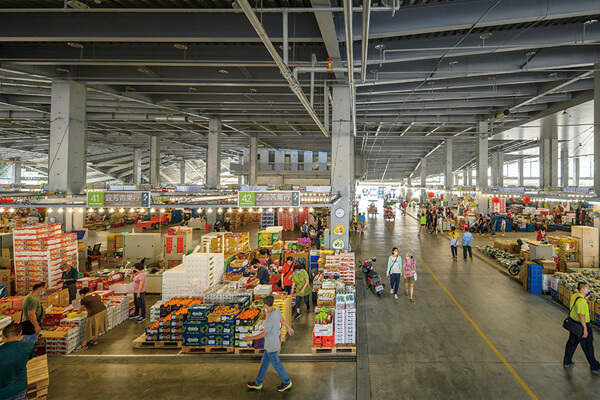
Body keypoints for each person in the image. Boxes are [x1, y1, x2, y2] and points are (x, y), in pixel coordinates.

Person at [244, 295, 294, 392]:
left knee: (276, 365)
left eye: (263, 305)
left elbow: (264, 334)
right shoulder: (276, 310)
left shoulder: (270, 317)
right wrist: (289, 327)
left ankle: (287, 382)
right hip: (272, 343)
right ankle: (258, 383)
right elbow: (282, 320)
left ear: (265, 305)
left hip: (271, 345)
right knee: (265, 363)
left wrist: (250, 338)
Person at [563, 282, 600, 374]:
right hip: (582, 325)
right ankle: (595, 367)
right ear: (582, 289)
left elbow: (578, 306)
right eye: (587, 289)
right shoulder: (581, 301)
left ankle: (567, 361)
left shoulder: (575, 296)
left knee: (572, 343)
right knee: (588, 347)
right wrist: (585, 329)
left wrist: (585, 299)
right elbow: (581, 315)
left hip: (574, 325)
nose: (588, 290)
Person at [0, 323, 35, 400]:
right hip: (20, 387)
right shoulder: (29, 346)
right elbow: (29, 358)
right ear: (20, 333)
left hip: (3, 392)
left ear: (3, 336)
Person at [75, 287, 108, 352]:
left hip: (94, 313)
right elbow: (94, 304)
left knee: (88, 328)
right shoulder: (96, 295)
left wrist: (75, 313)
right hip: (103, 310)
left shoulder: (84, 299)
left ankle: (84, 345)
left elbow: (81, 309)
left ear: (82, 294)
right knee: (97, 326)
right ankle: (94, 339)